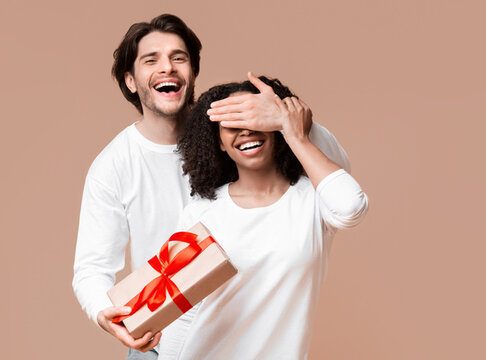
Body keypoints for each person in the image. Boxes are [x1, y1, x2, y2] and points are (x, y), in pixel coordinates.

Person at [71, 14, 351, 359]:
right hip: (158, 338)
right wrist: (106, 313)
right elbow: (92, 268)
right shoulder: (113, 165)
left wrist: (289, 118)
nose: (167, 68)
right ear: (130, 81)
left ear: (193, 72)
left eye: (179, 58)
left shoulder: (236, 132)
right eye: (151, 60)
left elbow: (334, 175)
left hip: (244, 330)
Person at [154, 76, 368, 359]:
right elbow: (184, 312)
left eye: (255, 119)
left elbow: (351, 205)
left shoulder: (313, 201)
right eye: (232, 124)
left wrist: (294, 127)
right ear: (218, 142)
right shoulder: (202, 211)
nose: (245, 130)